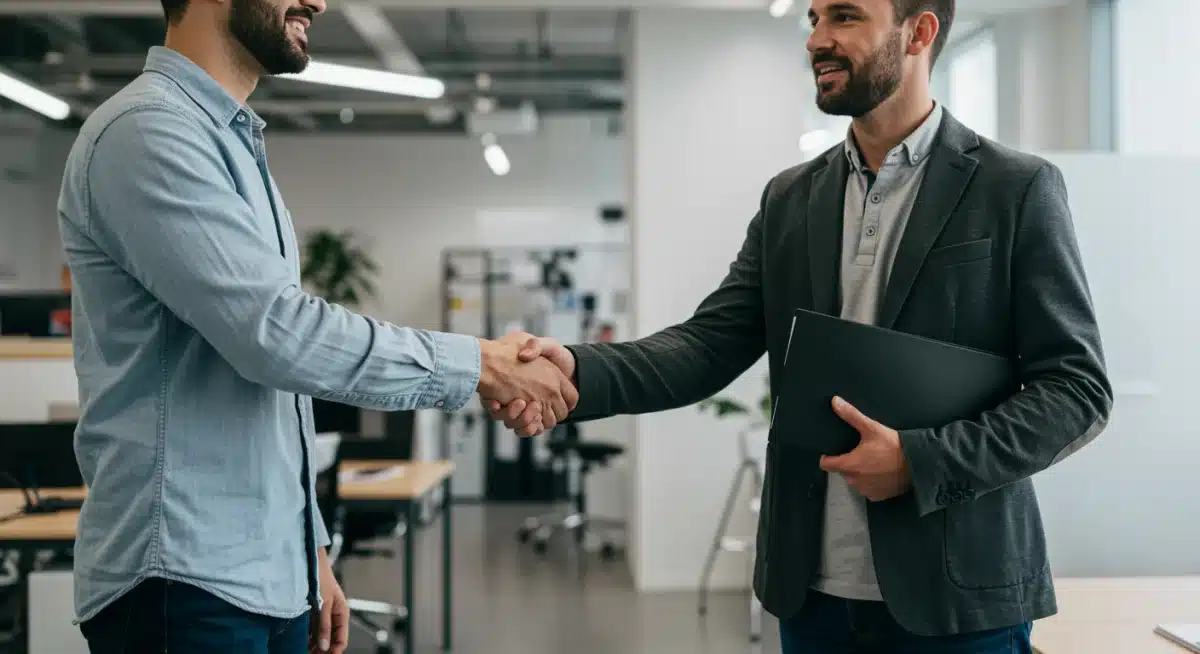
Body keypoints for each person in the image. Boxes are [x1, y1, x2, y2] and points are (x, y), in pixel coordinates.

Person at [490, 0, 1113, 652]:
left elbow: (1076, 390)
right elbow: (707, 344)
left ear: (919, 32)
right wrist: (576, 369)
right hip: (812, 599)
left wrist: (921, 462)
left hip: (959, 599)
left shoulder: (1015, 188)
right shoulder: (790, 197)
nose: (817, 39)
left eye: (844, 16)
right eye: (813, 19)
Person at [56, 1, 575, 652]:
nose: (318, 1)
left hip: (260, 573)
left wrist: (309, 550)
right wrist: (481, 364)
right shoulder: (147, 131)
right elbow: (278, 336)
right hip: (183, 581)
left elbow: (275, 384)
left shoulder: (227, 140)